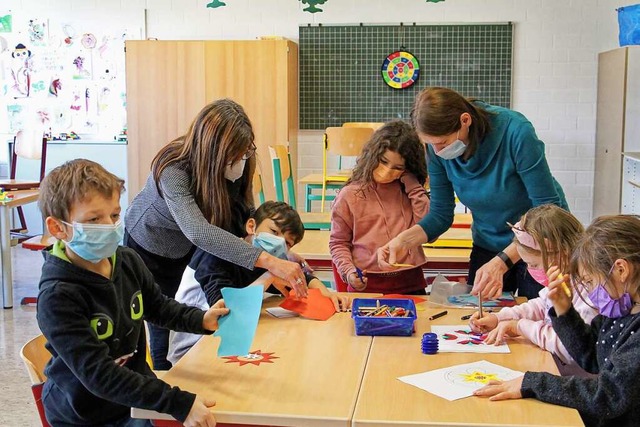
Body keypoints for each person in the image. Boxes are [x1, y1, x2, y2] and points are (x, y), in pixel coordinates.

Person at [36, 159, 229, 427]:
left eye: (114, 215)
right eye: (94, 219)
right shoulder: (58, 296)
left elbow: (158, 307)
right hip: (85, 416)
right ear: (58, 228)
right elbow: (99, 375)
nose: (109, 225)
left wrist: (200, 319)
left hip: (133, 398)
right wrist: (177, 402)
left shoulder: (126, 260)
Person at [125, 99, 307, 369]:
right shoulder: (173, 168)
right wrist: (269, 261)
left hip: (188, 244)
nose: (241, 160)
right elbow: (198, 231)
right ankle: (164, 376)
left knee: (183, 308)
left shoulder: (242, 157)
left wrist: (278, 251)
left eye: (245, 152)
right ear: (212, 152)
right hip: (151, 247)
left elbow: (244, 213)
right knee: (160, 317)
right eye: (234, 155)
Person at [377, 87, 568, 300]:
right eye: (431, 145)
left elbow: (548, 211)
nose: (438, 152)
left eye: (442, 143)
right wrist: (403, 240)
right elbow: (440, 214)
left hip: (540, 243)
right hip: (488, 241)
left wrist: (502, 262)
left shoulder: (516, 132)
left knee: (539, 316)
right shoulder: (436, 149)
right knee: (480, 317)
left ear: (465, 120)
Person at [474, 215, 640, 427]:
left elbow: (609, 395)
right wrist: (564, 311)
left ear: (621, 270)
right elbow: (591, 355)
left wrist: (533, 382)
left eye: (589, 281)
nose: (588, 290)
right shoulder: (621, 311)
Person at [168, 200, 350, 364]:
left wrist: (324, 290)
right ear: (251, 226)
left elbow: (301, 279)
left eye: (286, 243)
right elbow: (226, 312)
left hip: (231, 342)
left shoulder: (269, 259)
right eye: (274, 232)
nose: (278, 242)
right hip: (194, 347)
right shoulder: (216, 254)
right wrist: (270, 277)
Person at [469, 204, 597, 376]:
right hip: (554, 369)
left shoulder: (589, 292)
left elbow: (569, 347)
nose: (530, 270)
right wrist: (498, 318)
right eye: (527, 264)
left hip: (575, 383)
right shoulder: (563, 279)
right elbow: (540, 306)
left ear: (563, 253)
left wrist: (520, 328)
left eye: (534, 264)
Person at [330, 120, 430, 294]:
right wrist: (349, 272)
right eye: (383, 161)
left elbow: (429, 229)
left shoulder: (409, 191)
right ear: (372, 155)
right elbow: (338, 242)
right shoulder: (350, 195)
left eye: (398, 167)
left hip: (410, 282)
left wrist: (413, 185)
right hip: (367, 284)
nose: (387, 171)